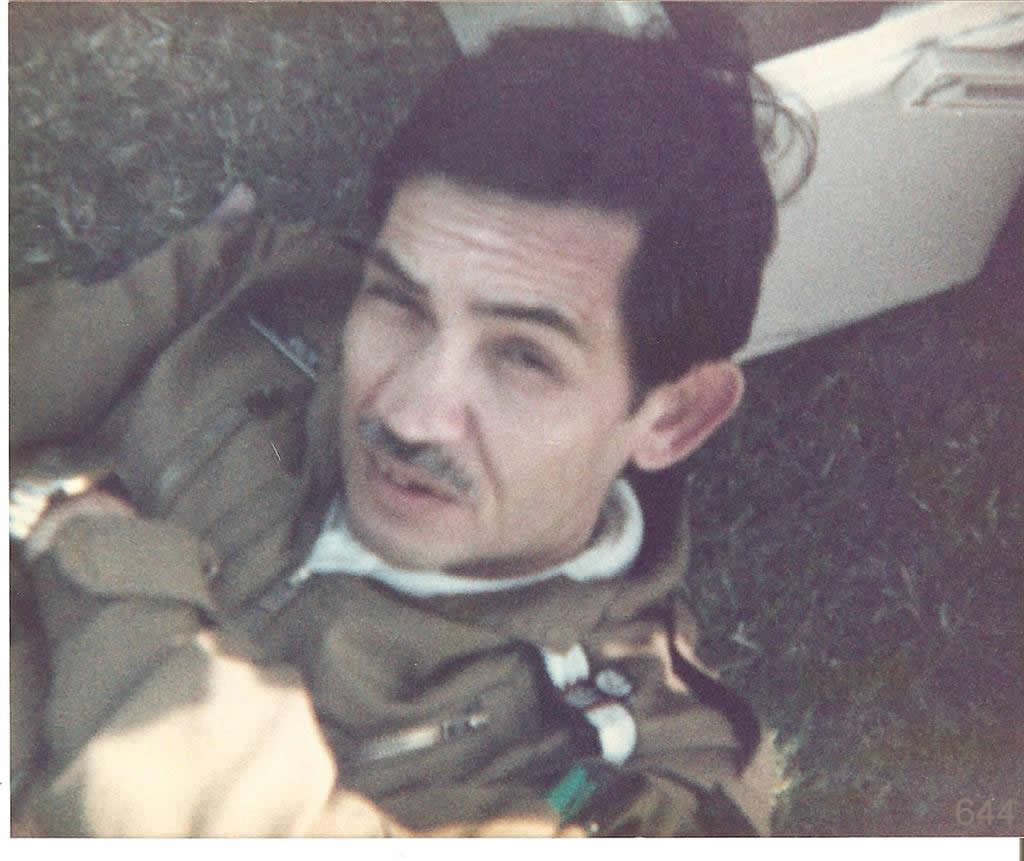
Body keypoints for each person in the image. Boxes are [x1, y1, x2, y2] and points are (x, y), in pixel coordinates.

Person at [10, 23, 802, 837]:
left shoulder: (628, 772)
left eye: (524, 356)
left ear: (674, 416)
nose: (408, 413)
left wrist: (104, 570)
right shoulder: (279, 286)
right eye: (400, 300)